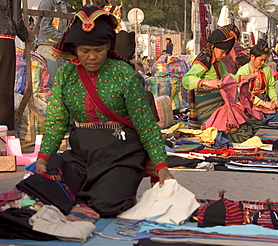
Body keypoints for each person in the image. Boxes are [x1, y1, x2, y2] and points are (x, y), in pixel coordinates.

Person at [36, 5, 173, 217]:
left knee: (107, 204)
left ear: (108, 47)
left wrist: (161, 164)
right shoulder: (65, 76)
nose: (91, 57)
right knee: (46, 189)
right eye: (84, 51)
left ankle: (87, 198)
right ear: (74, 50)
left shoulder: (124, 75)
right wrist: (43, 158)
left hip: (121, 154)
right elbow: (56, 122)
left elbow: (145, 124)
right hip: (82, 154)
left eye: (98, 50)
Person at [0, 0, 33, 132]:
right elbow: (17, 20)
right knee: (4, 92)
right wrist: (26, 34)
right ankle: (4, 137)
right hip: (3, 40)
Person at [236, 40, 278, 111]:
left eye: (265, 60)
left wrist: (274, 99)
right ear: (252, 57)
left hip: (264, 100)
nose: (263, 63)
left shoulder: (266, 69)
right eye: (261, 60)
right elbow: (244, 93)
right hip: (248, 102)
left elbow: (270, 86)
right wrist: (263, 103)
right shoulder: (243, 71)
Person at [37, 0, 70, 89]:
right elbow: (45, 27)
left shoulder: (65, 5)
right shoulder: (48, 2)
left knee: (61, 85)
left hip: (59, 48)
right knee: (50, 86)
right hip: (48, 47)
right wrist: (65, 38)